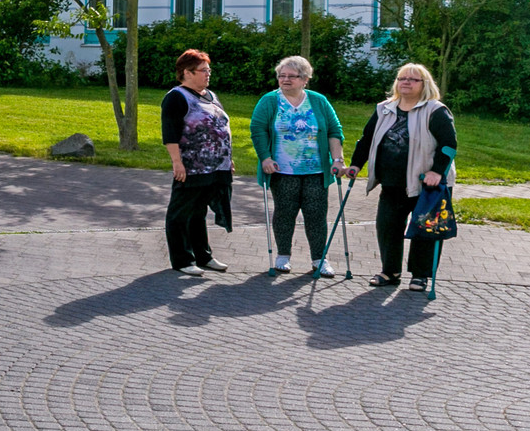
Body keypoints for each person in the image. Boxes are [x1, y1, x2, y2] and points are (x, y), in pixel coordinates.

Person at [343, 62, 456, 291]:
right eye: (402, 78)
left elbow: (449, 145)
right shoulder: (384, 109)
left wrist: (437, 171)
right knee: (387, 226)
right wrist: (355, 165)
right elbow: (366, 140)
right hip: (393, 182)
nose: (406, 82)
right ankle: (390, 271)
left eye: (413, 79)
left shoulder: (435, 110)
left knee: (426, 229)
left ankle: (420, 275)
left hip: (427, 184)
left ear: (424, 84)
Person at [249, 55, 346, 279]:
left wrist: (337, 160)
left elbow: (334, 131)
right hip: (282, 171)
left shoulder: (318, 101)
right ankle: (283, 256)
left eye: (291, 76)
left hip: (315, 171)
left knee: (316, 215)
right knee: (284, 213)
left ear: (305, 79)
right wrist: (265, 157)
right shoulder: (270, 101)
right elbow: (258, 129)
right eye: (281, 76)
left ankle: (319, 259)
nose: (285, 80)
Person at [163, 49, 234, 277]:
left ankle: (203, 256)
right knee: (180, 213)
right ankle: (182, 260)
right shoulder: (176, 97)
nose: (208, 74)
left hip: (215, 166)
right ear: (187, 72)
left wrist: (227, 158)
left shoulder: (210, 95)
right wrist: (177, 163)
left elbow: (219, 127)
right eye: (204, 70)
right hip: (192, 167)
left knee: (198, 212)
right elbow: (170, 133)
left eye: (208, 70)